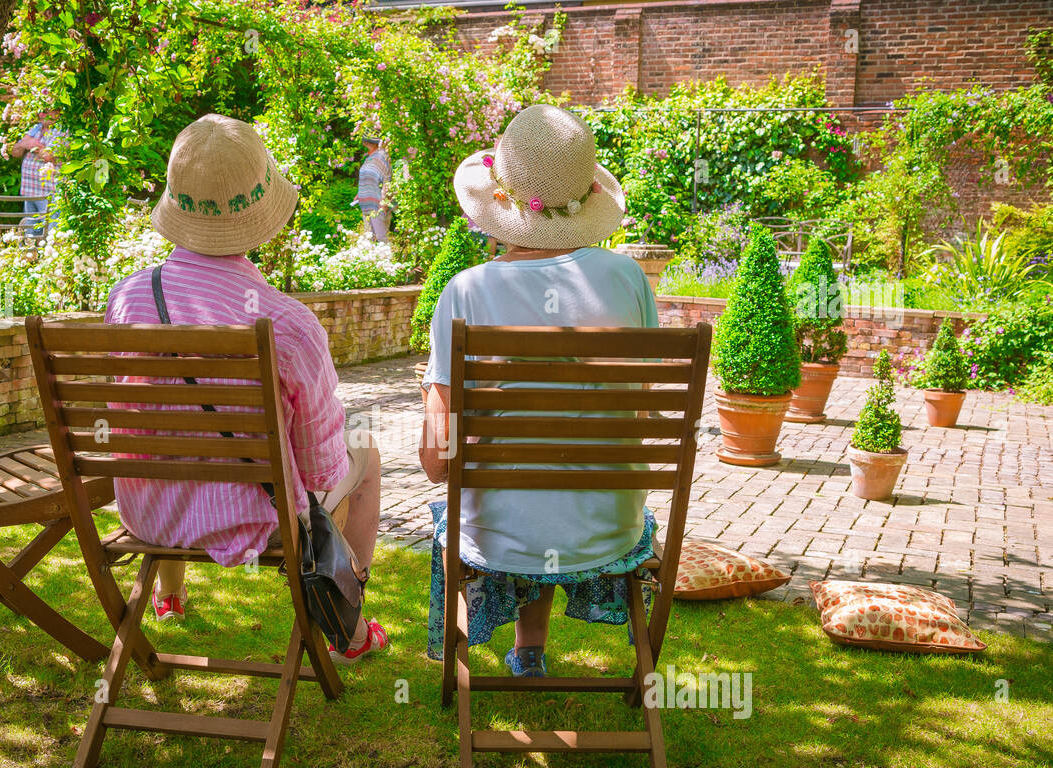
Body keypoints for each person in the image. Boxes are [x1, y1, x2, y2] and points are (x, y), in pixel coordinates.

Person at [103, 114, 388, 663]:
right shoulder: (287, 324)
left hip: (148, 510)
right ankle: (349, 625)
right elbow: (322, 468)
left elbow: (137, 414)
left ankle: (170, 599)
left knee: (179, 441)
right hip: (255, 517)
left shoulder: (128, 299)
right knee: (367, 453)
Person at [418, 104, 659, 679]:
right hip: (609, 528)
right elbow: (645, 413)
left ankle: (524, 653)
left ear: (497, 200)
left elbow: (434, 462)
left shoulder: (466, 291)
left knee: (515, 501)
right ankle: (529, 652)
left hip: (500, 535)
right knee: (549, 490)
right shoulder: (628, 279)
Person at [11, 111, 65, 237]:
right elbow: (15, 151)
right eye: (40, 111)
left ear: (57, 112)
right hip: (29, 191)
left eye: (46, 111)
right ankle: (31, 257)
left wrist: (29, 145)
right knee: (30, 234)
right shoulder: (35, 129)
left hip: (49, 193)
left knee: (50, 234)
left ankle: (49, 257)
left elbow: (48, 155)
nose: (41, 114)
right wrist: (25, 144)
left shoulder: (61, 131)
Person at [355, 136, 392, 242]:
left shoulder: (383, 157)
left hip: (378, 205)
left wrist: (384, 201)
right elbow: (367, 177)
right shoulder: (369, 158)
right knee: (369, 239)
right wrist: (359, 193)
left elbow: (387, 179)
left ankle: (386, 258)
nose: (364, 143)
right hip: (365, 204)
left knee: (381, 239)